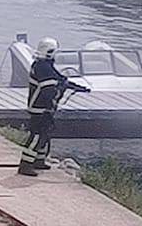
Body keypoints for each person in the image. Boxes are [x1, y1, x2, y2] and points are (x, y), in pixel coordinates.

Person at [17, 38, 88, 176]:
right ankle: (25, 165)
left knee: (45, 135)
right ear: (50, 52)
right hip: (40, 108)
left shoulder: (44, 65)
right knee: (37, 136)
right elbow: (48, 89)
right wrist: (50, 106)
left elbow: (59, 79)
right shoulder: (42, 67)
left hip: (44, 107)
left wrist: (77, 87)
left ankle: (39, 160)